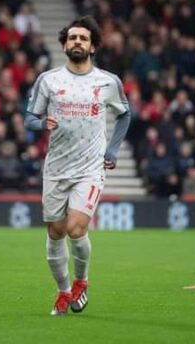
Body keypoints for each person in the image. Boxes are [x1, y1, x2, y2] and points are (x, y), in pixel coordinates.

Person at [24, 16, 131, 315]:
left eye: (83, 39)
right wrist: (41, 122)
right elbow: (29, 118)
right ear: (64, 44)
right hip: (57, 168)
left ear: (93, 46)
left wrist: (112, 150)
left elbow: (125, 114)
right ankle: (62, 291)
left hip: (90, 167)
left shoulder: (108, 82)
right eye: (72, 38)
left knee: (75, 228)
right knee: (55, 232)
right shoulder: (48, 80)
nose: (77, 43)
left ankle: (81, 281)